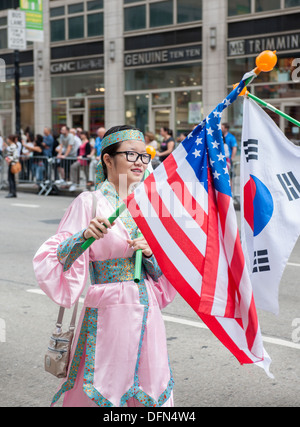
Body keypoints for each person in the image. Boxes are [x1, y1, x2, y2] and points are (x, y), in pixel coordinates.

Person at [33, 125, 176, 407]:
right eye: (130, 154)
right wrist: (83, 237)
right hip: (107, 309)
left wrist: (149, 254)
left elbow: (165, 273)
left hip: (147, 308)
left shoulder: (150, 205)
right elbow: (55, 258)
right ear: (108, 160)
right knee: (103, 386)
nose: (139, 162)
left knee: (149, 386)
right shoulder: (89, 202)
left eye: (144, 155)